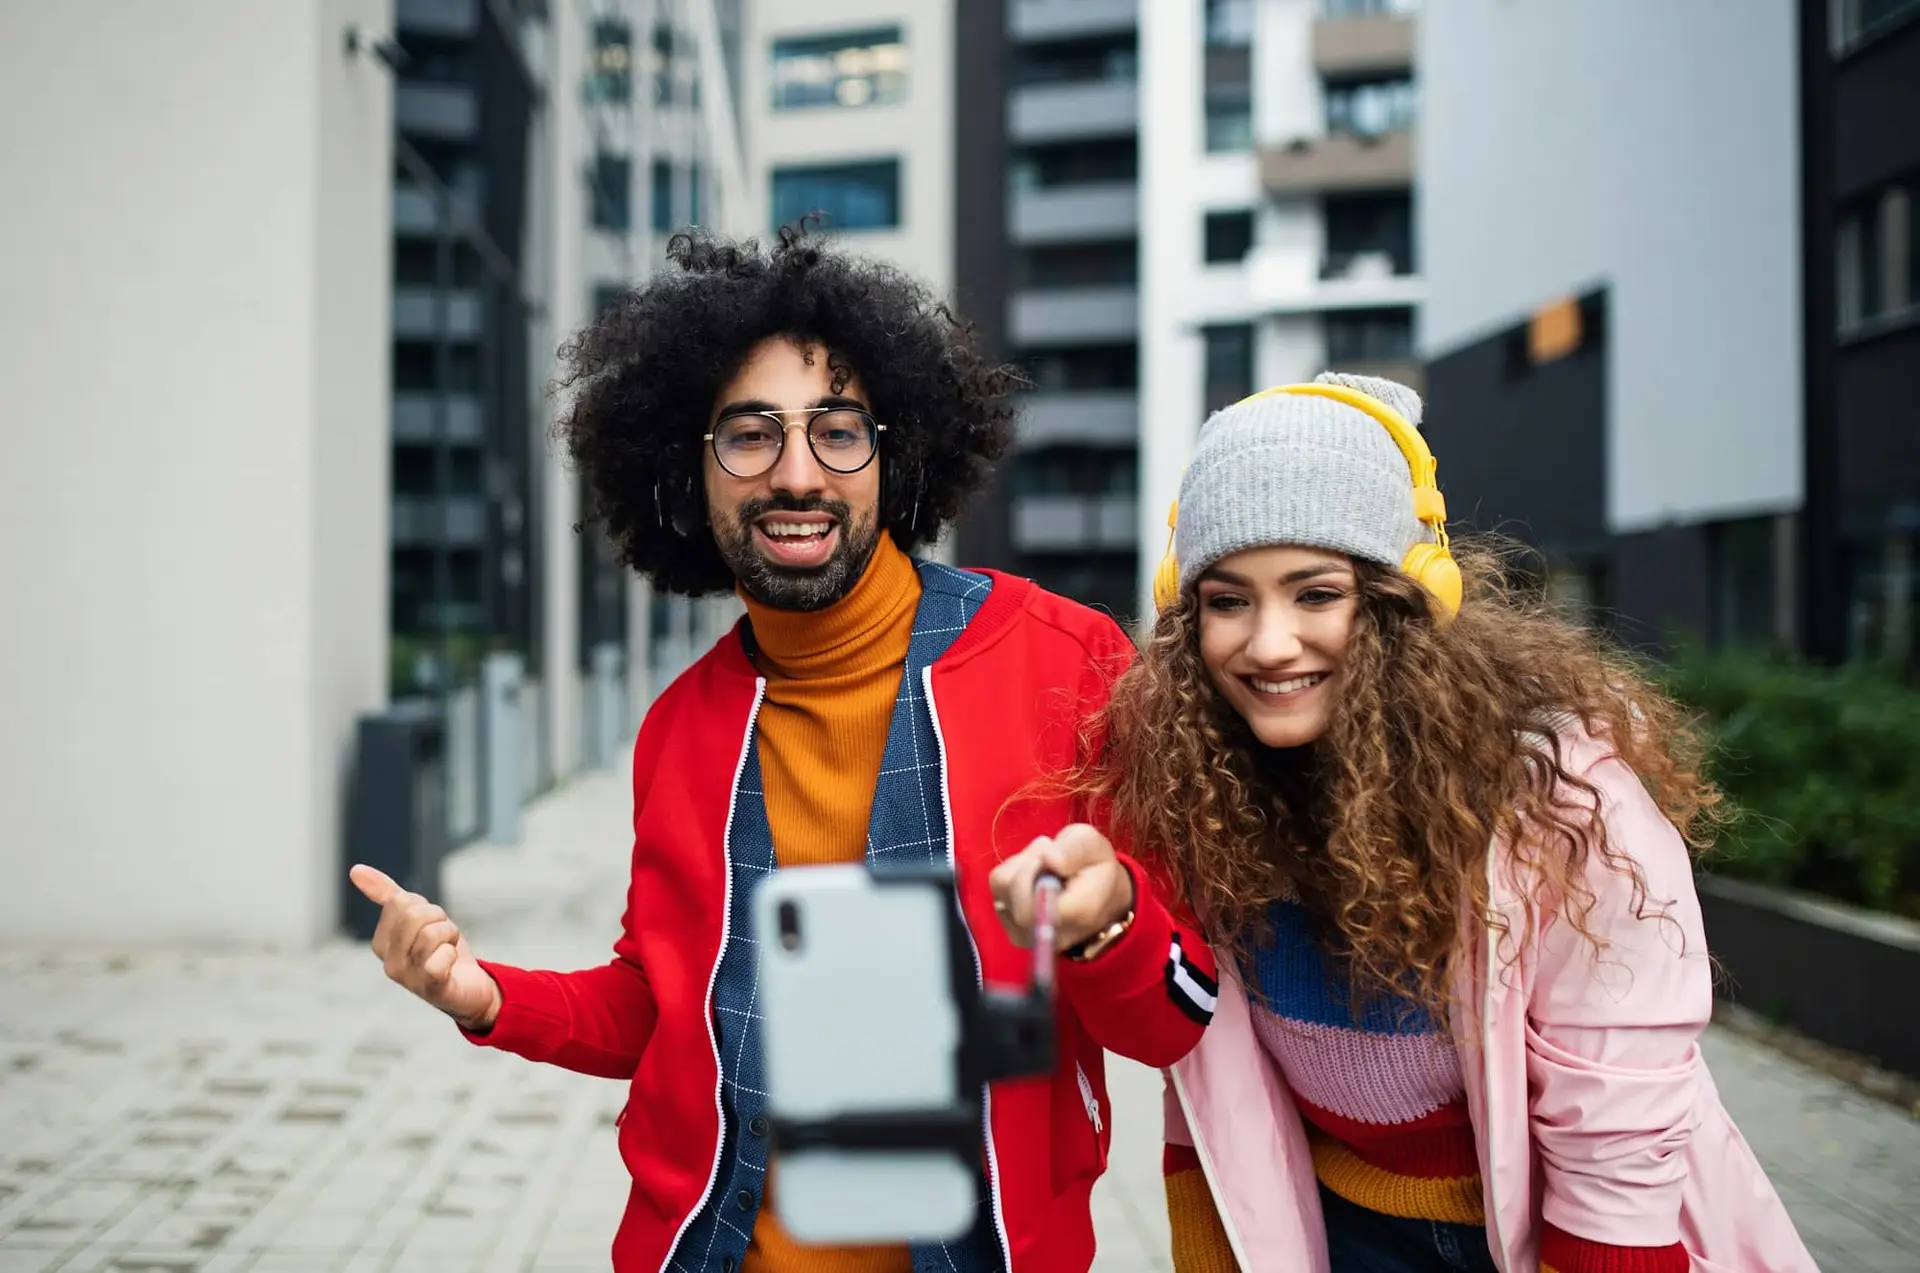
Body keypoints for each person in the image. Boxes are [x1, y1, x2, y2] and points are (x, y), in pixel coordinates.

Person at [347, 225, 1217, 1273]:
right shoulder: (680, 728)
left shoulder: (1066, 664)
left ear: (894, 453)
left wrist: (1108, 919)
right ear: (690, 466)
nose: (797, 473)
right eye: (750, 434)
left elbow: (1178, 1017)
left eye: (837, 431)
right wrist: (482, 995)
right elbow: (660, 1005)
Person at [1060, 373, 1816, 1272]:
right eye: (1227, 600)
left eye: (1315, 593)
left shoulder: (1557, 795)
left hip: (1542, 1236)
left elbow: (1616, 1119)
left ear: (1404, 595)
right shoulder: (1200, 782)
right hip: (1329, 1227)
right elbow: (1209, 1084)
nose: (1267, 642)